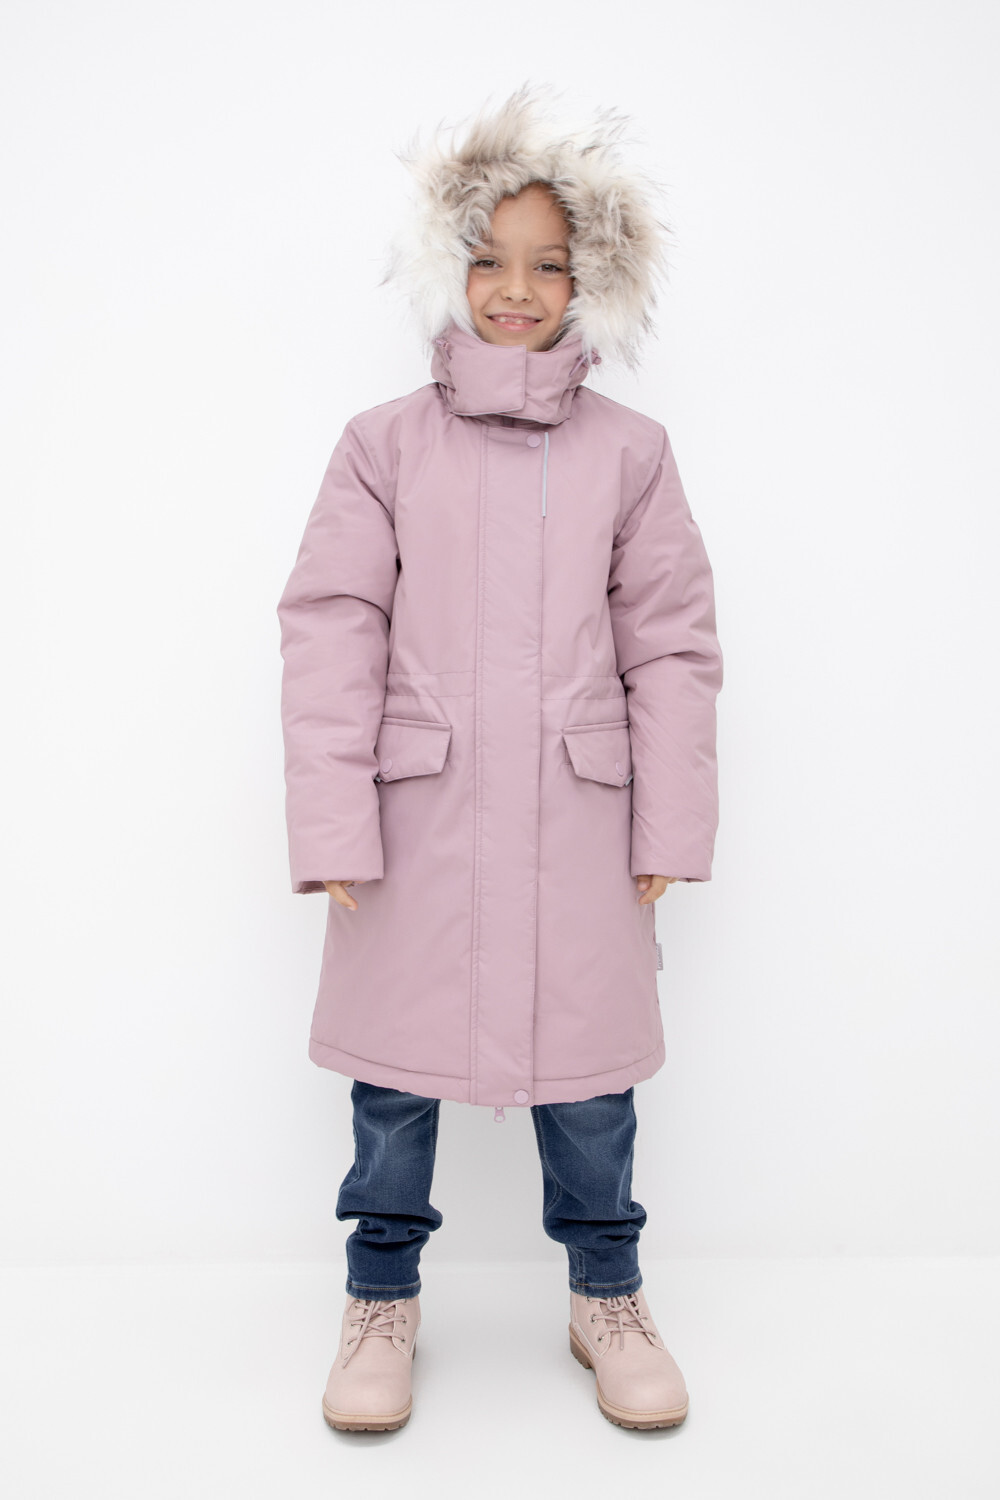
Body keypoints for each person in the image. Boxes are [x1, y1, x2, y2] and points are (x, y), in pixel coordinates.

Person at [276, 82, 724, 1434]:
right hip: (418, 823)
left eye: (548, 264)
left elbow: (672, 644)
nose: (516, 290)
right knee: (394, 1080)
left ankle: (606, 1293)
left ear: (592, 281)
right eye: (488, 258)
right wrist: (333, 824)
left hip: (580, 823)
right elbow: (331, 629)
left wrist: (668, 826)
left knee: (590, 1085)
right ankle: (381, 1297)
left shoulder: (631, 456)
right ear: (447, 267)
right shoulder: (382, 448)